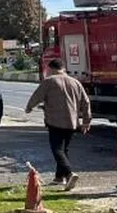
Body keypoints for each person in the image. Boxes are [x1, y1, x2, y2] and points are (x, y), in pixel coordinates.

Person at [24, 57, 91, 191]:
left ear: (51, 69)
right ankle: (59, 177)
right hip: (72, 122)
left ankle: (69, 173)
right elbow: (86, 102)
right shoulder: (75, 82)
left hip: (55, 121)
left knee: (57, 150)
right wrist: (86, 121)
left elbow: (37, 96)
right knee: (64, 149)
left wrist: (29, 107)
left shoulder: (49, 81)